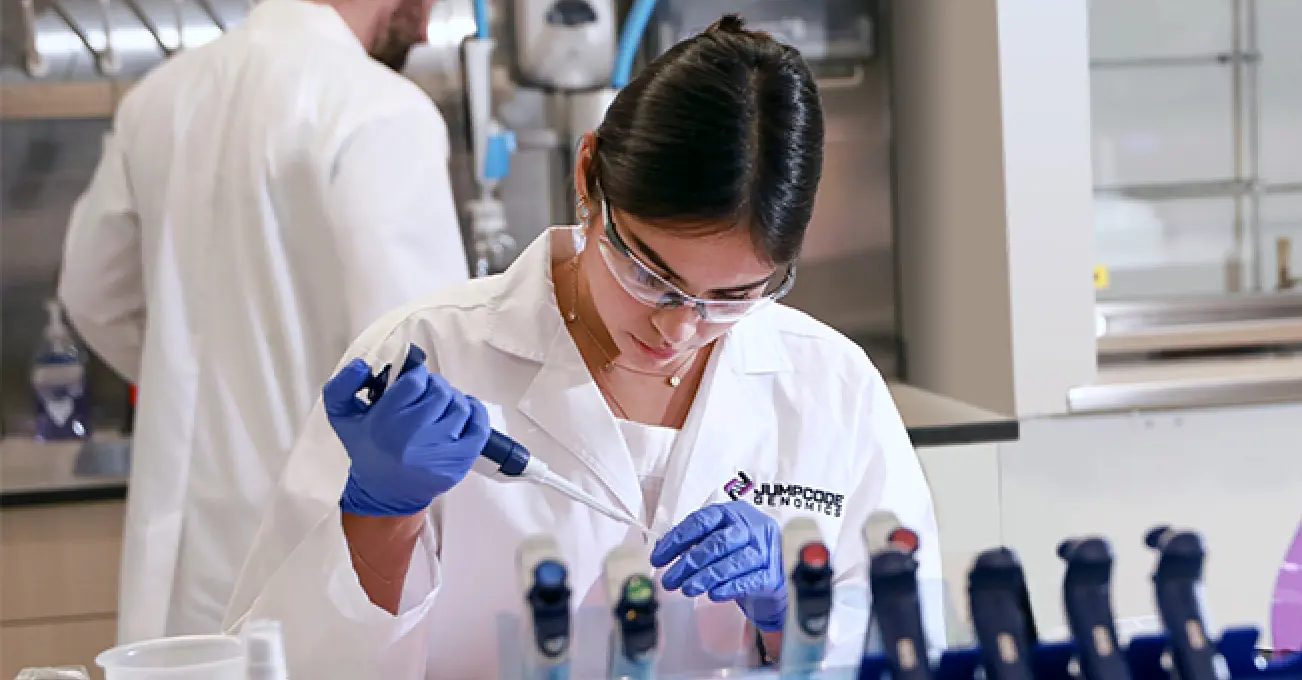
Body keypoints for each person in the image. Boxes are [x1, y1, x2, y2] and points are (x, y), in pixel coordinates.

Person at [224, 14, 945, 678]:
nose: (679, 327)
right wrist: (380, 519)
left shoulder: (832, 388)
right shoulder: (433, 352)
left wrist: (797, 611)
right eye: (650, 272)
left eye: (732, 297)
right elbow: (273, 661)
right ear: (586, 177)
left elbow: (915, 650)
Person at [56, 0, 470, 645]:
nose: (424, 25)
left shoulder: (160, 98)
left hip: (181, 558)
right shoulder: (381, 108)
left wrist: (191, 381)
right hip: (320, 545)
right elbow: (426, 351)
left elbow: (91, 295)